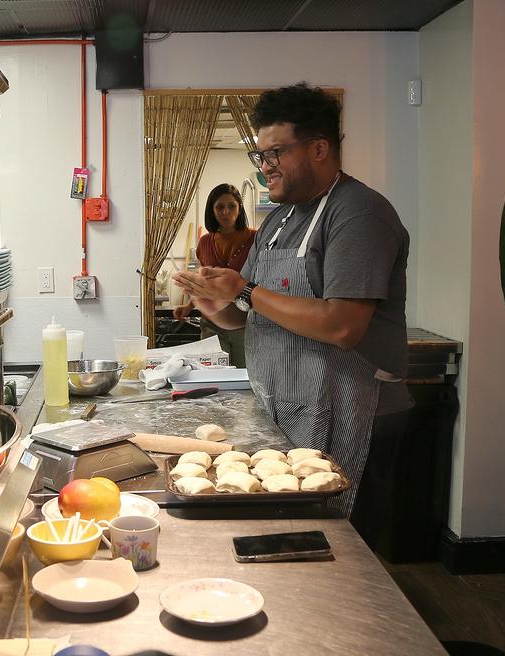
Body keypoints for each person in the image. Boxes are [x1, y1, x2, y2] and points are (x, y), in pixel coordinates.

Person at [172, 83, 413, 515]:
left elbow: (341, 325)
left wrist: (242, 290)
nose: (265, 168)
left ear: (319, 148)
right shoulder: (279, 220)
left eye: (275, 153)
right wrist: (214, 302)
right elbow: (245, 314)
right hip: (291, 410)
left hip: (354, 414)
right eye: (260, 156)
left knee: (345, 556)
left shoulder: (358, 214)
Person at [173, 183, 257, 366]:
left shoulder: (255, 239)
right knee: (216, 376)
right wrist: (188, 307)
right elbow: (204, 282)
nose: (226, 212)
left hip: (245, 321)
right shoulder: (205, 242)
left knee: (246, 375)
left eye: (231, 206)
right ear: (212, 210)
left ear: (239, 208)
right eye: (220, 207)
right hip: (212, 322)